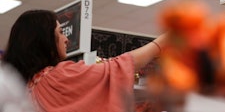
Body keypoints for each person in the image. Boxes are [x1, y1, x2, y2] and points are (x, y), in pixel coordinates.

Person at [2, 9, 169, 112]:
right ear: (45, 39)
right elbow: (116, 67)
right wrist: (159, 44)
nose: (66, 39)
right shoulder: (57, 78)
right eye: (60, 32)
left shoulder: (28, 85)